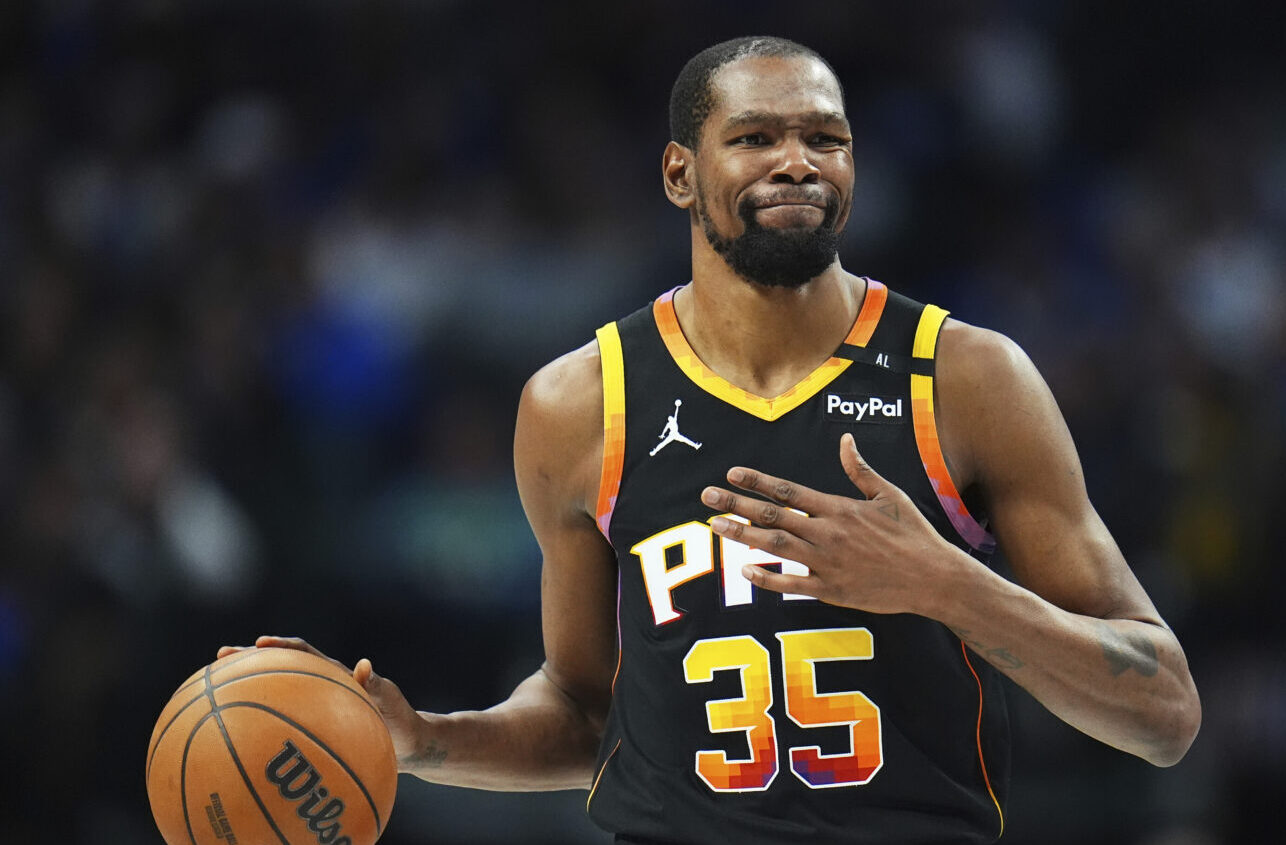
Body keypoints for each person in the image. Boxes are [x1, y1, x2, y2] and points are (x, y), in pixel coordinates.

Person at [224, 36, 1200, 843]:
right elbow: (584, 713)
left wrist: (945, 583)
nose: (797, 161)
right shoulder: (578, 404)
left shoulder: (965, 379)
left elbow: (1163, 713)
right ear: (679, 172)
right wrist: (425, 738)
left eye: (827, 137)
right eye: (757, 136)